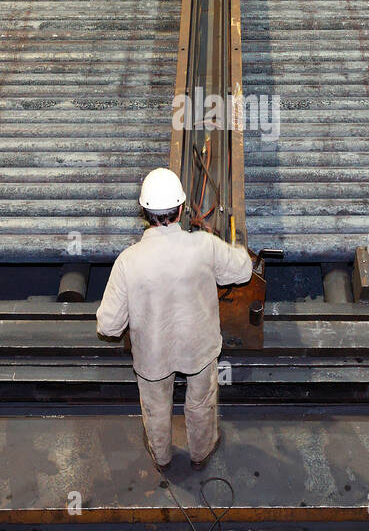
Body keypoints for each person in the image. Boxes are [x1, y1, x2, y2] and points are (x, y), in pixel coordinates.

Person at [96, 167, 254, 471]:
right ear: (182, 209)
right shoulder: (205, 246)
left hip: (153, 356)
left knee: (155, 406)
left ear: (143, 212)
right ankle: (201, 452)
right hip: (200, 349)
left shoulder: (128, 261)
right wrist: (229, 247)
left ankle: (162, 457)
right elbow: (243, 271)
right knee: (201, 401)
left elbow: (109, 326)